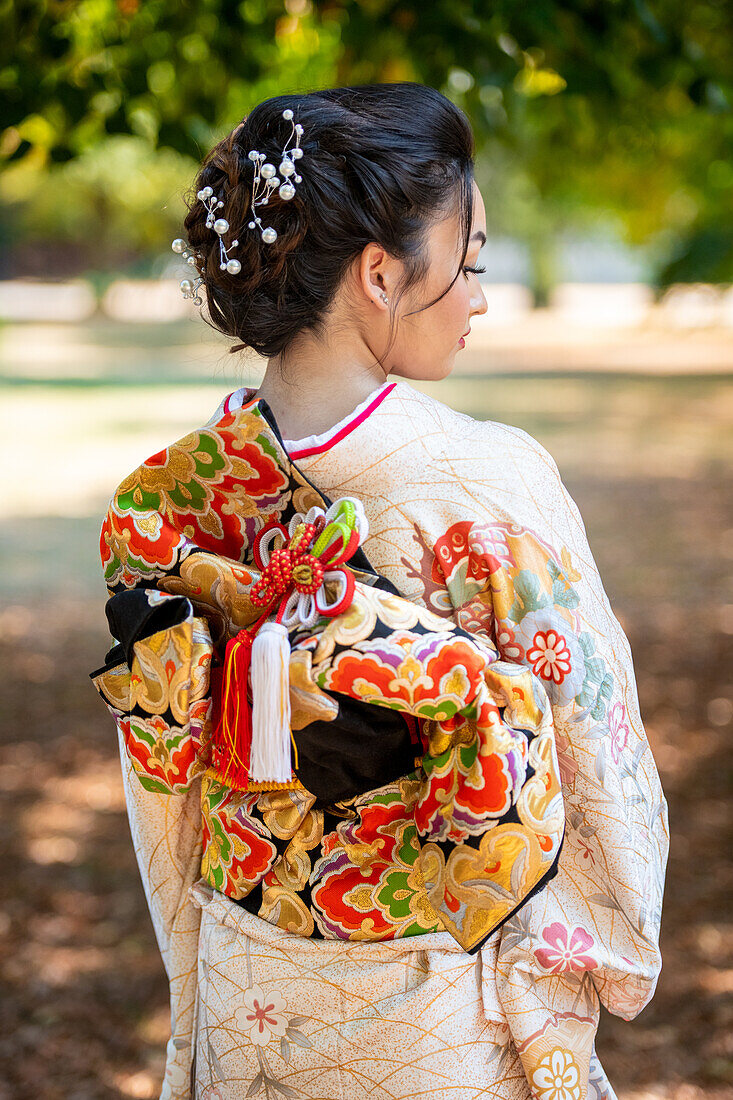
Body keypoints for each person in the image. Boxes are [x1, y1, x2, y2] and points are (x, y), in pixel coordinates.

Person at [91, 83, 669, 1100]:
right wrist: (589, 939)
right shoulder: (484, 484)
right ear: (377, 272)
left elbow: (164, 784)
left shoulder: (173, 499)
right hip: (437, 993)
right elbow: (593, 741)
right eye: (470, 261)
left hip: (246, 980)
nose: (480, 295)